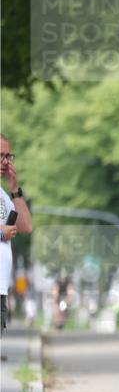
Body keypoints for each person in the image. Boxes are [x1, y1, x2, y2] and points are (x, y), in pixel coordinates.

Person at [1, 133, 33, 363]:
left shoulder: (3, 195)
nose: (5, 162)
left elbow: (26, 226)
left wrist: (15, 189)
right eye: (0, 156)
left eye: (8, 156)